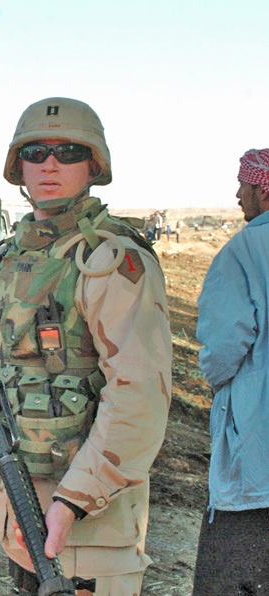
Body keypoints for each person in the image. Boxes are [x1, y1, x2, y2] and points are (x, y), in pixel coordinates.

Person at [0, 97, 171, 594]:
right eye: (36, 152)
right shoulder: (5, 260)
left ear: (94, 165)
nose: (50, 163)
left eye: (67, 151)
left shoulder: (108, 262)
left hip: (87, 532)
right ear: (18, 166)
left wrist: (73, 501)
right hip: (17, 516)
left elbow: (139, 396)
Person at [192, 148, 269, 595]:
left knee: (235, 573)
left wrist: (222, 384)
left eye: (243, 185)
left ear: (262, 188)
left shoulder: (242, 251)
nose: (237, 195)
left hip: (258, 457)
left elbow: (223, 348)